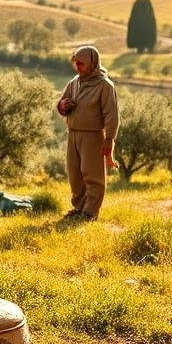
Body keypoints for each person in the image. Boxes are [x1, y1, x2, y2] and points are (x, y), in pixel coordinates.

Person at [56, 45, 119, 220]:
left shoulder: (105, 85)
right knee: (75, 174)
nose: (78, 67)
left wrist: (109, 139)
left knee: (92, 176)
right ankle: (79, 208)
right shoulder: (74, 82)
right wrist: (62, 106)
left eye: (81, 63)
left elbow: (111, 115)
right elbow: (60, 102)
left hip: (93, 136)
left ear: (93, 63)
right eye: (75, 63)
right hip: (73, 134)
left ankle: (90, 212)